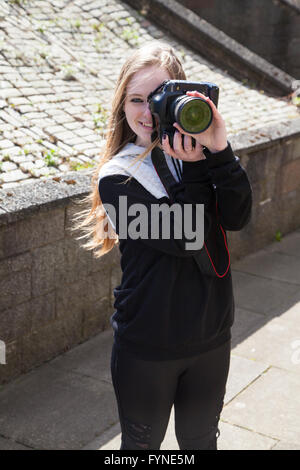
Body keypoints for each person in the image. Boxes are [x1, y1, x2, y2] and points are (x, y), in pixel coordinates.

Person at [75, 41, 252, 450]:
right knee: (142, 448)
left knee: (200, 441)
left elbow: (239, 216)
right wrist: (195, 168)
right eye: (136, 99)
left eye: (158, 98)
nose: (147, 112)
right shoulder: (116, 178)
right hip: (149, 344)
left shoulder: (203, 152)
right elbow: (188, 235)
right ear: (121, 106)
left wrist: (220, 150)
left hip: (211, 334)